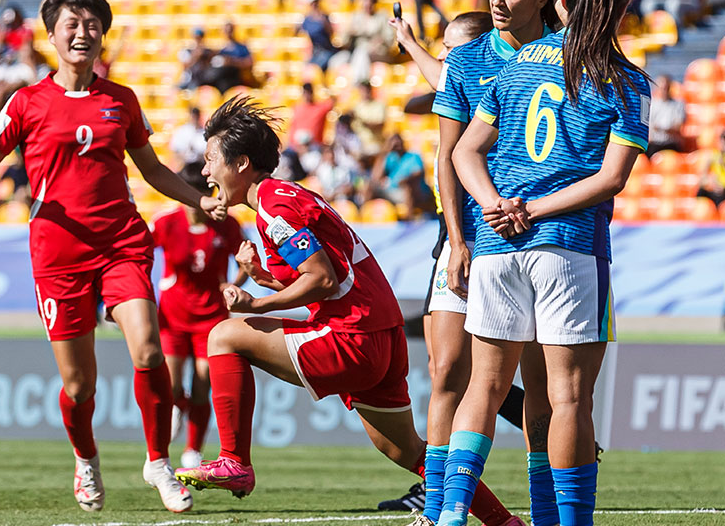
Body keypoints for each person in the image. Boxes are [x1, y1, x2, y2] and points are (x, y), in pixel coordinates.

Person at [0, 0, 227, 514]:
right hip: (58, 256)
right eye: (72, 24)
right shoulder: (25, 103)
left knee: (148, 351)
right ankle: (86, 459)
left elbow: (154, 170)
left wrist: (200, 199)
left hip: (121, 243)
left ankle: (158, 462)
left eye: (92, 24)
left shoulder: (122, 100)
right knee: (78, 386)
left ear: (102, 35)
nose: (82, 32)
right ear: (51, 36)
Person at [174, 97, 514, 526]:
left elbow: (322, 281)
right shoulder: (287, 197)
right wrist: (262, 277)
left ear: (240, 163)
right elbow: (325, 276)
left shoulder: (274, 206)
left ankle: (233, 461)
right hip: (381, 335)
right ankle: (505, 523)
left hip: (355, 334)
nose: (206, 172)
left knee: (224, 336)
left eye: (210, 161)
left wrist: (254, 304)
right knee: (406, 451)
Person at [447, 0, 651, 526]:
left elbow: (466, 150)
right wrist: (531, 209)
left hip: (497, 245)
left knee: (483, 389)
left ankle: (452, 516)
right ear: (622, 8)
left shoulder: (516, 64)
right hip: (568, 246)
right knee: (566, 399)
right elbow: (611, 178)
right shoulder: (627, 80)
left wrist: (496, 208)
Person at [396, 0, 561, 526]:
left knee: (541, 393)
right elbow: (449, 156)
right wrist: (459, 241)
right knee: (452, 374)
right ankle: (441, 508)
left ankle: (542, 511)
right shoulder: (468, 61)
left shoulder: (567, 55)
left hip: (547, 238)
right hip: (474, 238)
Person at [379, 10, 531, 514]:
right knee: (447, 371)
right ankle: (438, 500)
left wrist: (412, 42)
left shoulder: (499, 73)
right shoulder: (461, 79)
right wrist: (409, 40)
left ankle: (551, 470)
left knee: (491, 375)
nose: (444, 56)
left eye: (451, 47)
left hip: (506, 237)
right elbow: (439, 78)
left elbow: (442, 73)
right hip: (457, 237)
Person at [150, 162, 247, 469]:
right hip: (173, 318)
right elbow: (139, 251)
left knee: (204, 383)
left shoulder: (227, 225)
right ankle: (178, 406)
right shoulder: (166, 223)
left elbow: (246, 260)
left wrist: (234, 285)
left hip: (211, 319)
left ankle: (193, 449)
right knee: (173, 385)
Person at [646, 74, 685, 157]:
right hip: (654, 144)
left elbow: (678, 127)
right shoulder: (651, 105)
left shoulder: (678, 104)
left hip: (671, 144)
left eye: (666, 87)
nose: (664, 90)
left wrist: (661, 129)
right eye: (662, 87)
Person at [289, 82, 334, 148]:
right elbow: (293, 127)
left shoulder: (320, 108)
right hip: (298, 146)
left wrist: (326, 88)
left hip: (314, 146)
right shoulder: (297, 108)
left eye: (309, 92)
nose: (307, 95)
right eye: (305, 92)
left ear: (312, 93)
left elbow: (332, 102)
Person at [696, 130, 725, 207]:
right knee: (701, 191)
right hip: (715, 189)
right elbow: (702, 179)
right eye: (723, 139)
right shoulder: (712, 156)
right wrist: (710, 183)